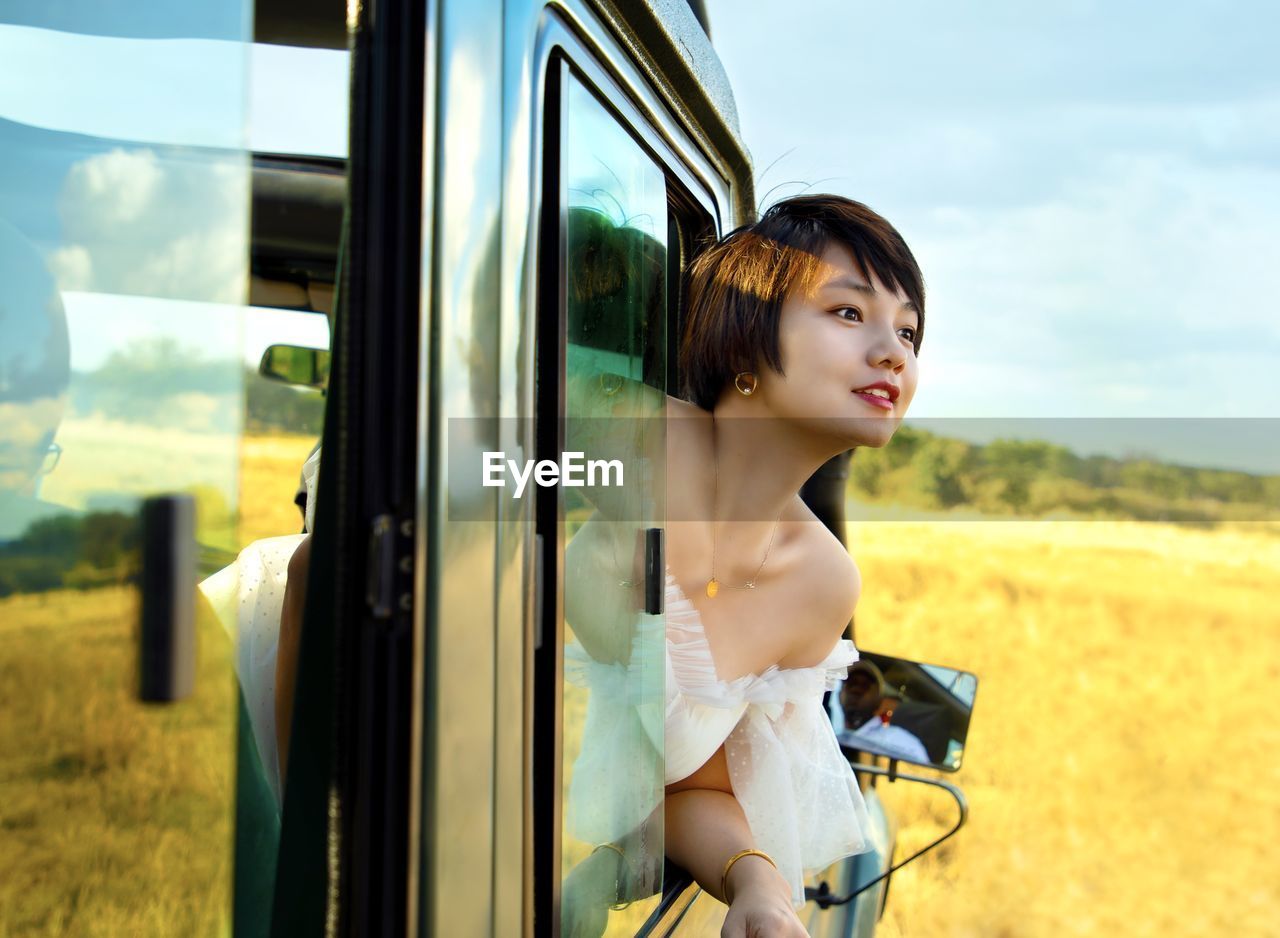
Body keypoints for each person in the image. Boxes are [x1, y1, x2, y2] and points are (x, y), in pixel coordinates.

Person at [657, 193, 926, 935]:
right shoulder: (630, 444)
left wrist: (758, 886)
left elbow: (690, 788)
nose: (893, 352)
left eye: (908, 331)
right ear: (743, 340)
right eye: (850, 313)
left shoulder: (824, 583)